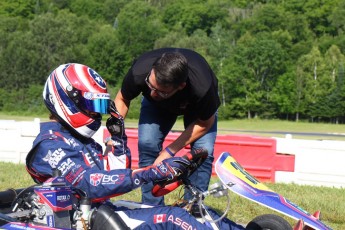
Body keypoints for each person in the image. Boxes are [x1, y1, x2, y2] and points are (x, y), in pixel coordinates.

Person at [25, 63, 238, 229]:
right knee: (173, 218)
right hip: (82, 220)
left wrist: (118, 141)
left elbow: (113, 177)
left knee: (195, 211)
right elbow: (89, 183)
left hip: (100, 210)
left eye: (99, 107)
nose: (97, 114)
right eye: (92, 106)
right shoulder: (49, 145)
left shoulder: (81, 140)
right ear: (67, 100)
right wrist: (149, 173)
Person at [114, 48, 220, 205]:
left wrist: (169, 151)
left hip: (197, 110)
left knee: (203, 152)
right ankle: (152, 208)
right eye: (150, 86)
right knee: (147, 144)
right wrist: (114, 135)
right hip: (157, 108)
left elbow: (205, 123)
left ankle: (193, 208)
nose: (152, 94)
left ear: (181, 86)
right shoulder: (140, 71)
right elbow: (122, 98)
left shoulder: (202, 87)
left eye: (161, 92)